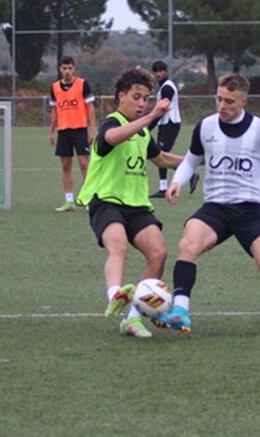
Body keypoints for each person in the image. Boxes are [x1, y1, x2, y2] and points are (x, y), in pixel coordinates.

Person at [157, 73, 260, 334]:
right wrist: (177, 182)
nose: (222, 106)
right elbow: (192, 159)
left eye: (229, 101)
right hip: (215, 207)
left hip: (252, 210)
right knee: (187, 245)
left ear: (244, 101)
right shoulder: (205, 127)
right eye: (219, 99)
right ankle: (181, 310)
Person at [76, 67, 185, 338]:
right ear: (121, 96)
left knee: (158, 253)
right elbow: (112, 138)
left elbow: (161, 159)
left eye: (146, 98)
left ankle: (133, 319)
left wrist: (193, 163)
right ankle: (115, 295)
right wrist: (151, 116)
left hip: (136, 205)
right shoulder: (110, 123)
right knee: (119, 246)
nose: (141, 103)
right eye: (136, 97)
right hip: (106, 201)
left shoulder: (143, 133)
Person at [49, 56, 97, 212]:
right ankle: (69, 201)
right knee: (65, 165)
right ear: (60, 69)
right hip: (63, 131)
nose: (67, 71)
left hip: (80, 130)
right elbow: (54, 110)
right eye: (64, 68)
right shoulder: (55, 87)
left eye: (70, 68)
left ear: (74, 68)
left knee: (84, 164)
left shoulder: (82, 84)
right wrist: (51, 131)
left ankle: (88, 199)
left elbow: (90, 108)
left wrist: (92, 129)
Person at [148, 60, 199, 198]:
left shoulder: (167, 88)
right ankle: (164, 187)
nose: (158, 74)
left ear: (165, 71)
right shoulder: (164, 87)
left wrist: (149, 126)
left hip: (169, 124)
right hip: (167, 124)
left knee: (161, 155)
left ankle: (189, 175)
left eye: (161, 71)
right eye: (156, 71)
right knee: (161, 155)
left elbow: (162, 110)